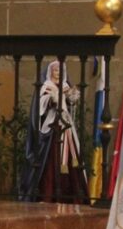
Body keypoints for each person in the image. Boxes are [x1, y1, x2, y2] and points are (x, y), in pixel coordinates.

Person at [19, 60, 88, 203]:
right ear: (51, 72)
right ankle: (47, 194)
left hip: (66, 125)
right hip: (52, 125)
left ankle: (71, 195)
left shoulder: (65, 86)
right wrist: (52, 99)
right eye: (56, 70)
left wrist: (72, 97)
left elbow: (70, 103)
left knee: (72, 159)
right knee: (50, 159)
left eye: (61, 71)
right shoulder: (47, 86)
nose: (58, 73)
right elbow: (41, 104)